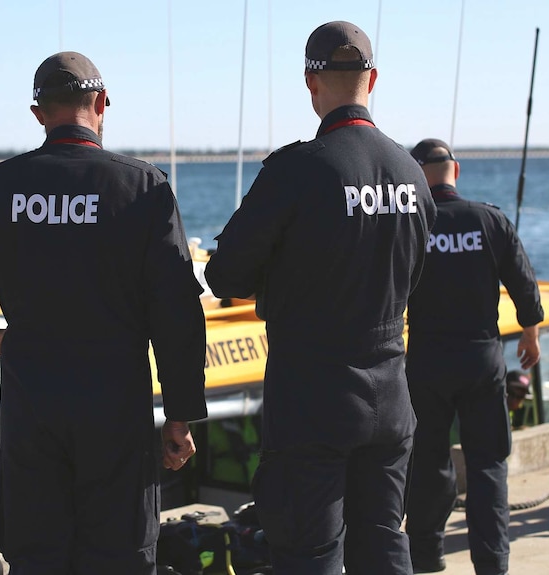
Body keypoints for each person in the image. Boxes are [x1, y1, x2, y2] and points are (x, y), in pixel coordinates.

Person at [0, 51, 208, 574]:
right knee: (121, 556)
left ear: (38, 114)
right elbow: (176, 311)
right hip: (115, 405)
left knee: (38, 556)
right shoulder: (143, 187)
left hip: (31, 403)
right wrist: (180, 414)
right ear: (101, 103)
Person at [204, 21, 436, 575]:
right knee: (383, 540)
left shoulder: (298, 170)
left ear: (311, 83)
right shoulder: (412, 172)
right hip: (391, 392)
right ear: (373, 78)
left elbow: (225, 275)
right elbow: (414, 273)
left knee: (309, 552)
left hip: (313, 396)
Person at [404, 138, 543, 575]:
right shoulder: (489, 219)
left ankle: (426, 556)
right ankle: (492, 563)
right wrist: (531, 334)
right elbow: (523, 281)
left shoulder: (410, 225)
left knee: (428, 461)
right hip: (481, 360)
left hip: (427, 362)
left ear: (416, 175)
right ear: (456, 171)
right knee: (487, 466)